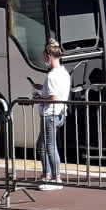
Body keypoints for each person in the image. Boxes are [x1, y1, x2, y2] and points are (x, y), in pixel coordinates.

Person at [34, 38, 71, 191]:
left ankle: (55, 178)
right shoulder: (63, 73)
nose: (43, 59)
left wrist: (38, 98)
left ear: (49, 55)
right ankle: (47, 174)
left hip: (50, 114)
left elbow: (53, 97)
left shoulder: (52, 76)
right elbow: (56, 92)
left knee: (49, 146)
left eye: (44, 56)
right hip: (60, 113)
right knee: (42, 145)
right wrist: (42, 88)